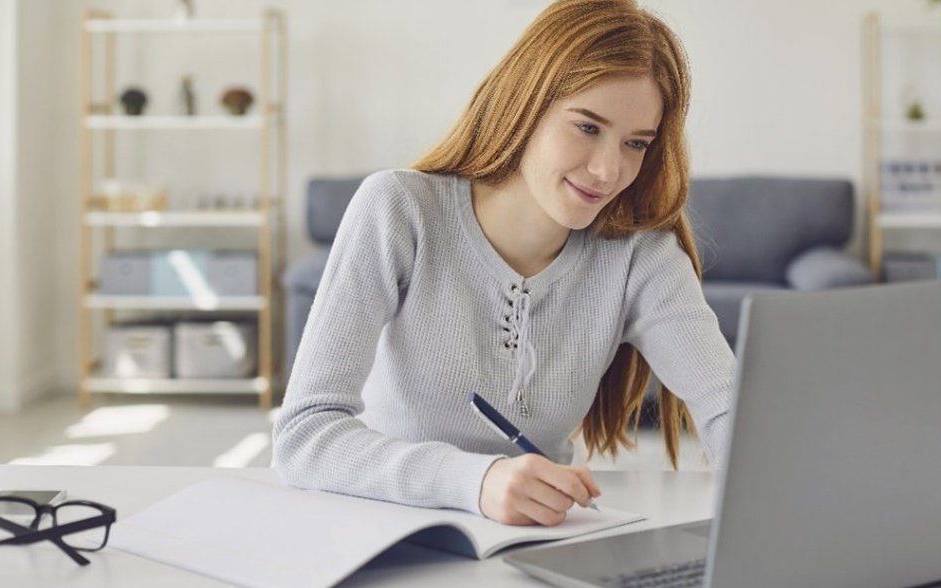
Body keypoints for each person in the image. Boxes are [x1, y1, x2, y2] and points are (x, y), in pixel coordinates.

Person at [272, 0, 734, 527]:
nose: (609, 170)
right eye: (587, 127)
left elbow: (728, 409)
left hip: (538, 538)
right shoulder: (399, 209)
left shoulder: (639, 255)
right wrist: (476, 480)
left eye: (635, 143)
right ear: (525, 105)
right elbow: (304, 435)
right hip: (383, 526)